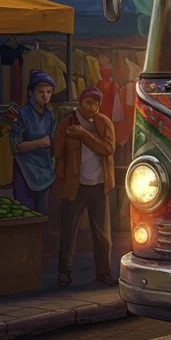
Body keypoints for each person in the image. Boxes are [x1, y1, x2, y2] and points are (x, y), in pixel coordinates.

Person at [54, 87, 117, 288]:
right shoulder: (67, 122)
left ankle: (104, 272)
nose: (93, 107)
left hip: (99, 185)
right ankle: (64, 272)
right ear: (80, 103)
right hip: (74, 186)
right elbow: (58, 151)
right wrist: (62, 179)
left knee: (102, 234)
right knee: (68, 231)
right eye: (89, 103)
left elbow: (108, 148)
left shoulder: (104, 122)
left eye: (96, 103)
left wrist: (83, 134)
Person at [10, 71, 57, 216]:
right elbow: (16, 146)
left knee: (42, 213)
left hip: (44, 168)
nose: (45, 96)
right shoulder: (22, 113)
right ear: (31, 93)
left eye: (48, 92)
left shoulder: (50, 114)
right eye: (41, 92)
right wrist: (39, 143)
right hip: (25, 168)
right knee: (26, 212)